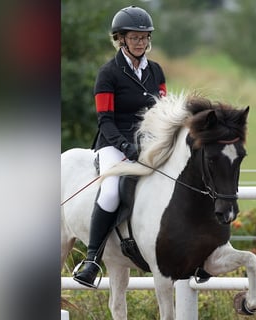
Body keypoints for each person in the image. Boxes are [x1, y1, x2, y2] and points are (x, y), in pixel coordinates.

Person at [73, 6, 167, 288]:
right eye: (134, 37)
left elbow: (163, 112)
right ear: (121, 39)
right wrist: (126, 145)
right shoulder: (108, 73)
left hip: (149, 143)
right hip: (113, 143)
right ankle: (92, 259)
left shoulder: (156, 71)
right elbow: (105, 121)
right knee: (112, 191)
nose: (141, 42)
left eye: (144, 37)